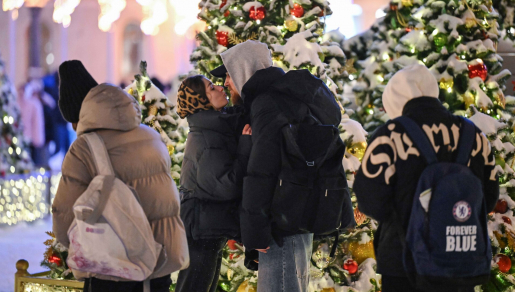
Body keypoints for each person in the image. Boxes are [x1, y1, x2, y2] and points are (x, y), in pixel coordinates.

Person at [210, 40, 345, 292]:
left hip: (280, 225)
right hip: (295, 215)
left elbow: (263, 170)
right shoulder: (281, 97)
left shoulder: (267, 104)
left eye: (228, 75)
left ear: (242, 70)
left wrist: (255, 232)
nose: (226, 83)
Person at [353, 64, 499, 292]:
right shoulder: (474, 136)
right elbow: (488, 199)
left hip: (403, 263)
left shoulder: (389, 136)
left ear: (394, 100)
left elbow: (369, 200)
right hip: (459, 260)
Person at [52, 60, 189, 292]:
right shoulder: (151, 136)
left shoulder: (84, 147)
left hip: (115, 265)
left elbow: (64, 213)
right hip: (162, 259)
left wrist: (71, 246)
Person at [174, 75, 252, 292]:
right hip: (202, 229)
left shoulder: (213, 129)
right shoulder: (207, 138)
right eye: (211, 88)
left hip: (206, 227)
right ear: (202, 101)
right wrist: (245, 149)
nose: (220, 87)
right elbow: (225, 186)